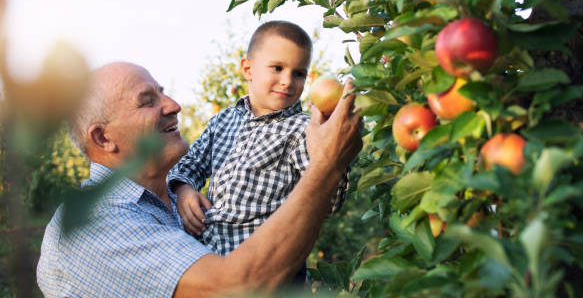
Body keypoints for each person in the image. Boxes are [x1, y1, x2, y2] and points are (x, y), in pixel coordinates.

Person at [36, 62, 362, 297]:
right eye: (147, 101)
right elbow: (235, 289)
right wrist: (327, 164)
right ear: (104, 138)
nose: (174, 105)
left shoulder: (177, 203)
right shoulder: (93, 226)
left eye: (162, 93)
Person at [167, 21, 348, 262]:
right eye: (277, 68)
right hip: (210, 257)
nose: (287, 81)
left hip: (267, 263)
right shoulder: (223, 121)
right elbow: (191, 163)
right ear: (248, 69)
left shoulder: (303, 129)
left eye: (298, 73)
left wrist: (335, 149)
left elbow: (327, 202)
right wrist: (184, 189)